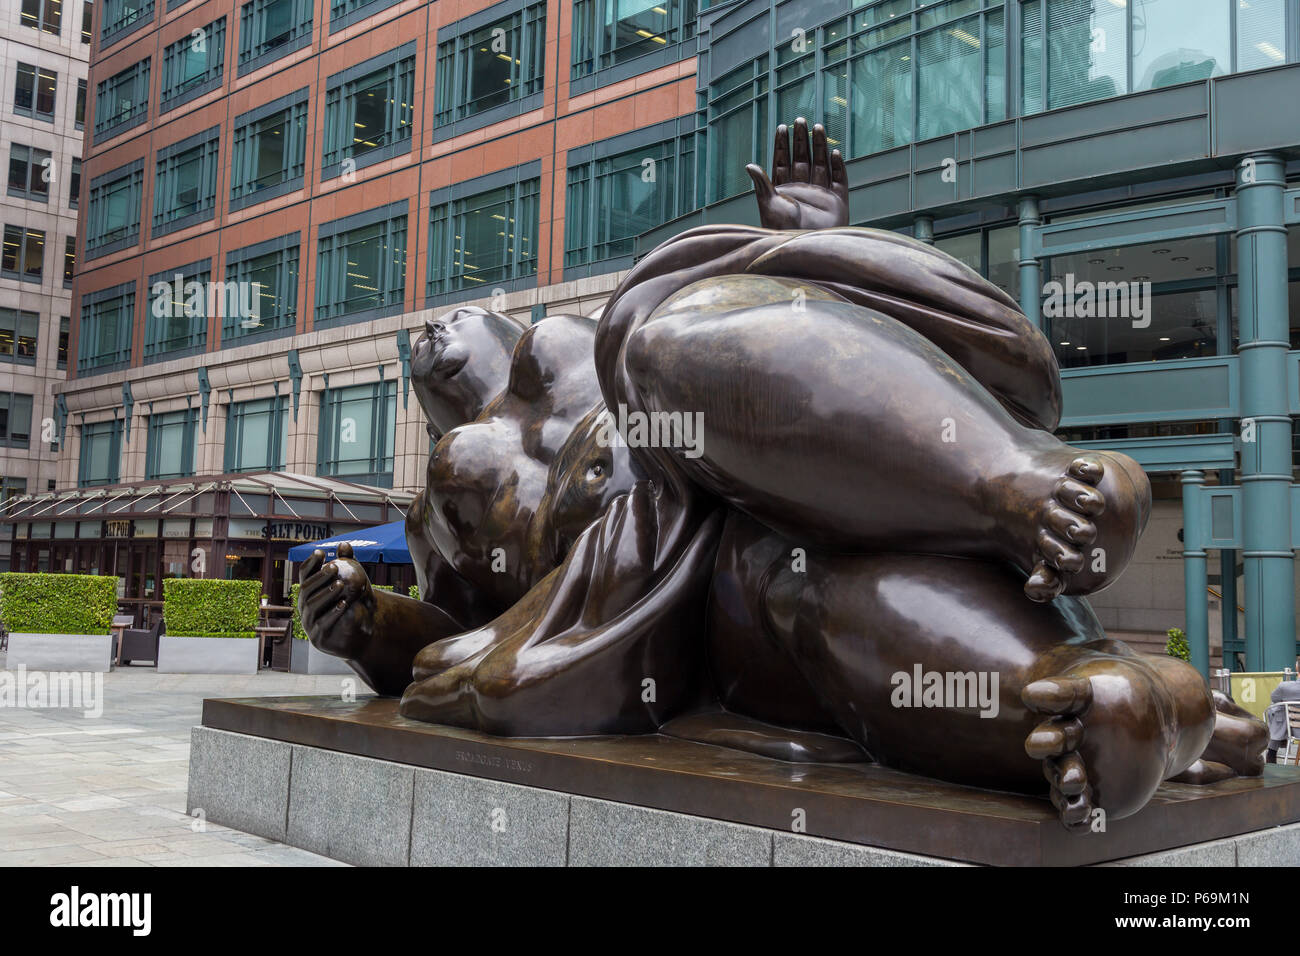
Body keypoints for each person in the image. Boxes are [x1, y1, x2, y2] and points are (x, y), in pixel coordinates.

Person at [299, 119, 1266, 830]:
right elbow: (448, 629)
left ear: (507, 327)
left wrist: (799, 243)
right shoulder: (440, 505)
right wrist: (371, 626)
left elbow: (768, 338)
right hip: (676, 604)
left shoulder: (580, 345)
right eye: (414, 349)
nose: (428, 337)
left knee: (661, 341)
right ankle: (1121, 707)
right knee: (823, 603)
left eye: (450, 321)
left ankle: (1023, 482)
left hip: (764, 449)